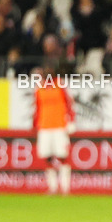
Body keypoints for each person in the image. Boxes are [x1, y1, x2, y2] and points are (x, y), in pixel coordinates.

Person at [33, 67, 75, 195]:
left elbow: (69, 104)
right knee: (47, 156)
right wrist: (35, 124)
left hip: (59, 126)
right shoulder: (39, 88)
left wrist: (71, 121)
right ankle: (52, 187)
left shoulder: (60, 85)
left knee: (62, 156)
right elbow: (37, 107)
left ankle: (65, 188)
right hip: (44, 126)